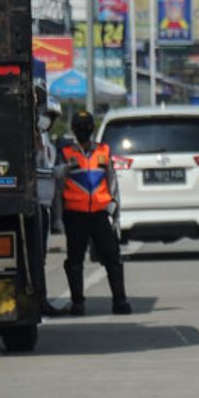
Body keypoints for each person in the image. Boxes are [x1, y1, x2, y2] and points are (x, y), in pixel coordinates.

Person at [60, 111, 131, 316]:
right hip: (75, 213)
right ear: (73, 130)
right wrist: (57, 217)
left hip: (100, 212)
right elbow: (57, 184)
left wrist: (115, 211)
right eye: (79, 127)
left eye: (86, 127)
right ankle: (77, 303)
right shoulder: (65, 153)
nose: (83, 131)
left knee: (112, 256)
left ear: (92, 129)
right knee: (74, 260)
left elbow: (112, 181)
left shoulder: (104, 151)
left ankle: (120, 301)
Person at [34, 95, 66, 316]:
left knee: (41, 257)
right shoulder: (30, 139)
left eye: (51, 117)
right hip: (34, 206)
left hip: (44, 206)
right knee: (36, 256)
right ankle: (39, 301)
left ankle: (41, 299)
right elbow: (32, 171)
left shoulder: (45, 141)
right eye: (46, 116)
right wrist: (54, 172)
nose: (48, 120)